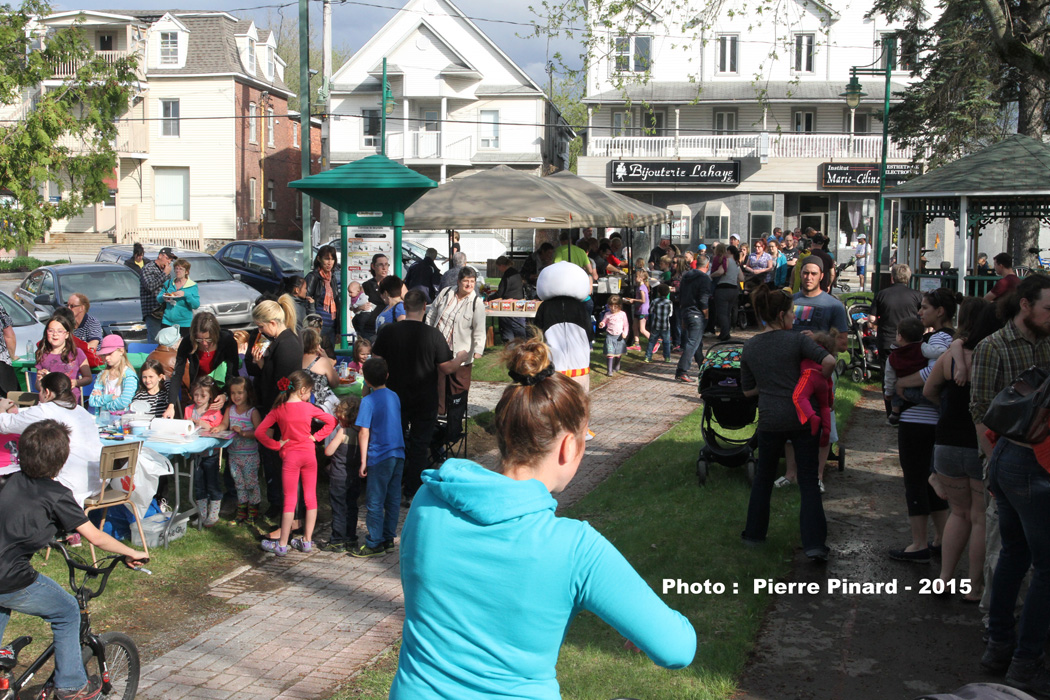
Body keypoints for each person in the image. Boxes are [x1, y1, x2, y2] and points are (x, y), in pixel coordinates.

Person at [389, 331, 696, 698]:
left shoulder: (429, 500)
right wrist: (644, 621)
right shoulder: (576, 549)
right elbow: (677, 648)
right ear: (568, 446)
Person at [0, 419, 148, 700]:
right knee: (67, 610)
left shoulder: (10, 481)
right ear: (61, 460)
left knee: (2, 604)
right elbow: (96, 537)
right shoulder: (57, 495)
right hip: (10, 577)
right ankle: (71, 685)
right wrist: (131, 552)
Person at [973, 275, 1050, 692]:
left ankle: (1000, 645)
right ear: (1025, 305)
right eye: (1048, 309)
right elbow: (981, 411)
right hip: (1017, 461)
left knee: (1016, 554)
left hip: (1025, 463)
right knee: (1041, 565)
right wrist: (991, 467)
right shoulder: (994, 347)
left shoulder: (1047, 343)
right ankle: (1022, 659)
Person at [742, 284, 836, 561]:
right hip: (802, 415)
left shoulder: (750, 346)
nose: (794, 318)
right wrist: (812, 383)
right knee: (808, 480)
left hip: (770, 418)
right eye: (792, 313)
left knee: (763, 478)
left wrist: (770, 385)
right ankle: (814, 544)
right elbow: (830, 361)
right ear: (781, 315)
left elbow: (748, 391)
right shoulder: (797, 341)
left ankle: (754, 535)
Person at [923, 297, 990, 603]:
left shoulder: (951, 356)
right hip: (980, 442)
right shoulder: (991, 355)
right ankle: (974, 587)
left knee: (958, 513)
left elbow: (929, 390)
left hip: (947, 440)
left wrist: (947, 408)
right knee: (980, 517)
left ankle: (944, 579)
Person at [372, 290, 467, 500]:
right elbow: (446, 368)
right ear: (425, 307)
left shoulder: (389, 331)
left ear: (405, 307)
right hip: (424, 397)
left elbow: (376, 358)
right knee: (419, 445)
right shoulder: (433, 334)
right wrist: (460, 357)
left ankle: (390, 489)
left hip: (394, 396)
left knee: (392, 443)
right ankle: (412, 491)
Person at [886, 288, 956, 562]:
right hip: (936, 421)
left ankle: (918, 544)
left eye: (925, 307)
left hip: (917, 420)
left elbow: (933, 373)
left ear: (940, 311)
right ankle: (940, 539)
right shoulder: (949, 337)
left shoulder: (938, 338)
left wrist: (902, 382)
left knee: (915, 481)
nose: (920, 312)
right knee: (933, 481)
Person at [256, 370, 336, 555]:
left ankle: (282, 544)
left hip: (290, 458)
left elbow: (260, 432)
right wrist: (316, 437)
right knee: (311, 498)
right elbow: (331, 421)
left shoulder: (279, 409)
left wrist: (276, 445)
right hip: (309, 456)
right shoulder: (309, 408)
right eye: (310, 392)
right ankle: (307, 541)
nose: (310, 395)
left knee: (289, 501)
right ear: (303, 390)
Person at [786, 257, 849, 490]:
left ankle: (818, 475)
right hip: (792, 369)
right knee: (791, 418)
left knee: (823, 419)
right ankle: (790, 473)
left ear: (822, 276)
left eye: (813, 273)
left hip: (821, 371)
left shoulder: (833, 305)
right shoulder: (790, 302)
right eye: (805, 273)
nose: (809, 277)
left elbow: (843, 344)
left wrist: (817, 340)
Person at [0, 372, 102, 507]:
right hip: (98, 482)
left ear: (47, 392)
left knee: (17, 479)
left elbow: (4, 424)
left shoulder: (44, 411)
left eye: (40, 391)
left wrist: (2, 408)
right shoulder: (80, 410)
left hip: (68, 484)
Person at [246, 296, 303, 519]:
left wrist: (271, 422)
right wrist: (260, 363)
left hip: (281, 414)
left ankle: (289, 512)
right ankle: (279, 505)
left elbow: (282, 386)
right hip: (274, 409)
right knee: (273, 462)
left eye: (261, 326)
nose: (260, 331)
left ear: (272, 323)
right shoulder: (278, 340)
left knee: (281, 463)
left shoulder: (287, 344)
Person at [350, 357, 405, 558]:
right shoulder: (394, 396)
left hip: (379, 454)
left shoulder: (368, 401)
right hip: (398, 452)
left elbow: (364, 431)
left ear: (366, 380)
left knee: (375, 500)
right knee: (393, 498)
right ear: (387, 375)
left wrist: (363, 461)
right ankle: (388, 538)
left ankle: (374, 542)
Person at [425, 266, 486, 412]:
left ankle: (455, 417)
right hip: (439, 348)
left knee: (458, 387)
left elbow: (479, 329)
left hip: (461, 351)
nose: (469, 284)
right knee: (438, 384)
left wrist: (478, 349)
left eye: (472, 281)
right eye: (466, 281)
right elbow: (432, 313)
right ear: (458, 281)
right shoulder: (446, 292)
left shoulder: (476, 302)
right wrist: (428, 334)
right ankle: (439, 413)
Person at [163, 313, 238, 419]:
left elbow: (232, 373)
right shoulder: (187, 342)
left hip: (222, 388)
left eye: (209, 339)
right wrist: (171, 405)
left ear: (215, 334)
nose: (204, 343)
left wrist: (226, 395)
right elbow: (177, 374)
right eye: (199, 340)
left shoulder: (227, 341)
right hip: (200, 392)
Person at [869, 264, 923, 411]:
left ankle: (890, 409)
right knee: (910, 372)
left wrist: (881, 322)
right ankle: (908, 407)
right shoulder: (917, 295)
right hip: (911, 342)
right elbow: (922, 316)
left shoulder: (882, 294)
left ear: (892, 278)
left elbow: (872, 318)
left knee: (887, 376)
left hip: (887, 340)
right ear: (908, 278)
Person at [320, 397, 362, 552]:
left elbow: (328, 451)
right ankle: (351, 538)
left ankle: (337, 540)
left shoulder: (343, 432)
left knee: (339, 507)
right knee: (352, 507)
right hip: (355, 476)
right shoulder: (362, 434)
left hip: (339, 476)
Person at [221, 376, 262, 525]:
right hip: (233, 455)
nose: (236, 396)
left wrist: (243, 433)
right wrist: (217, 429)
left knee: (251, 484)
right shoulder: (230, 410)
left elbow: (259, 433)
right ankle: (241, 512)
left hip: (249, 456)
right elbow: (224, 424)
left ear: (248, 393)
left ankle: (253, 511)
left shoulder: (252, 412)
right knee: (238, 484)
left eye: (240, 392)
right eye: (233, 393)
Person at [184, 375, 224, 526]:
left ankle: (214, 513)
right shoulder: (189, 409)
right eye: (196, 395)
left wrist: (198, 422)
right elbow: (185, 428)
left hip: (211, 453)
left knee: (212, 483)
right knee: (198, 484)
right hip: (195, 453)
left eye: (203, 395)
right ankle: (201, 513)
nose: (198, 399)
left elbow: (216, 428)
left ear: (210, 396)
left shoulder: (214, 412)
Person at [792, 329, 837, 449]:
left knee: (798, 397)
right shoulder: (826, 355)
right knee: (824, 406)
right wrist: (830, 402)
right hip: (822, 378)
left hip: (809, 375)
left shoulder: (811, 351)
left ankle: (812, 417)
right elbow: (829, 385)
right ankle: (826, 430)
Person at [36, 315, 91, 403]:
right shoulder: (42, 354)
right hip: (50, 402)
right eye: (51, 331)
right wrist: (40, 380)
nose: (55, 334)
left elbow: (88, 378)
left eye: (60, 331)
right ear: (46, 333)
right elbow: (38, 386)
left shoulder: (76, 353)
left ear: (67, 334)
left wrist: (76, 382)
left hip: (71, 400)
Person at [674, 260, 713, 383]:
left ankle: (703, 367)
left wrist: (683, 316)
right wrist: (706, 315)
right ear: (707, 265)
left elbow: (681, 296)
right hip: (697, 313)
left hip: (685, 311)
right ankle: (682, 370)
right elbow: (703, 299)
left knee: (697, 342)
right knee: (693, 342)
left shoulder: (686, 277)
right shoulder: (705, 279)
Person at [87, 335, 136, 414]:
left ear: (121, 351)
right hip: (102, 419)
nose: (106, 358)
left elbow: (124, 402)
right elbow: (92, 401)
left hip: (123, 419)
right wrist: (111, 397)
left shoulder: (129, 376)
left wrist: (103, 406)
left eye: (110, 354)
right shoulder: (102, 375)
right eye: (105, 354)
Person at [140, 247, 175, 343]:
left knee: (167, 340)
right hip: (153, 311)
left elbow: (168, 287)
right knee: (155, 340)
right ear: (160, 256)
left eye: (171, 260)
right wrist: (164, 274)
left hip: (165, 311)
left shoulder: (166, 270)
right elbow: (150, 286)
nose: (169, 262)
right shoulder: (148, 268)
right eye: (167, 258)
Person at [305, 245, 340, 343]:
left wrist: (338, 329)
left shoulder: (332, 278)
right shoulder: (313, 277)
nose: (330, 262)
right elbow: (306, 299)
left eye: (332, 259)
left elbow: (336, 303)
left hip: (331, 326)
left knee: (329, 352)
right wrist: (313, 322)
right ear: (319, 259)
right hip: (317, 325)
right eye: (327, 259)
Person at [300, 327, 338, 413]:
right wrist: (326, 358)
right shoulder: (322, 362)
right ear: (317, 344)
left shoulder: (294, 360)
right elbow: (335, 383)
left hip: (299, 404)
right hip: (320, 406)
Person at [710, 243, 742, 342]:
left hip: (723, 288)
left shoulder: (726, 260)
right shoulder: (737, 264)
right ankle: (726, 332)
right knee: (728, 313)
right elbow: (742, 278)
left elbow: (720, 271)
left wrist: (711, 275)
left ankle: (724, 334)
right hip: (734, 289)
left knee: (722, 313)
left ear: (728, 252)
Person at [490, 255, 526, 342]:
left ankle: (509, 343)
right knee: (518, 326)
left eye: (498, 267)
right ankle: (521, 342)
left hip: (509, 304)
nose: (499, 269)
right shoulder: (515, 273)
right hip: (519, 303)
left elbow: (500, 293)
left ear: (502, 265)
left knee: (508, 328)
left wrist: (489, 298)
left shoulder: (507, 275)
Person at [157, 259, 200, 330]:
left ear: (186, 272)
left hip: (184, 324)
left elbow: (196, 305)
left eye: (181, 269)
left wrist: (186, 294)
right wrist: (163, 297)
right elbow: (158, 298)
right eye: (176, 268)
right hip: (167, 322)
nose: (178, 271)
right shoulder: (169, 283)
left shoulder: (192, 285)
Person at [359, 253, 391, 341]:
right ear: (373, 266)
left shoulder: (394, 283)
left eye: (386, 264)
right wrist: (360, 307)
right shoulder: (366, 285)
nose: (384, 268)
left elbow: (406, 301)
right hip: (370, 329)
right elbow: (355, 307)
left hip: (390, 327)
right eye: (380, 265)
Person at [598, 295, 628, 376]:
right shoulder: (607, 314)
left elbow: (626, 325)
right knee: (610, 353)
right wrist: (602, 324)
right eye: (611, 306)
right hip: (610, 337)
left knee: (618, 352)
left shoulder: (622, 314)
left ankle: (617, 365)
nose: (613, 308)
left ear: (619, 306)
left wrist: (625, 333)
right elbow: (604, 322)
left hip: (619, 337)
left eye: (615, 306)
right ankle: (609, 371)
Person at [645, 284, 673, 362]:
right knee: (666, 342)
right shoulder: (669, 302)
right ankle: (667, 357)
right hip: (665, 325)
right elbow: (670, 314)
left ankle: (648, 356)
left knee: (652, 341)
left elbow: (650, 311)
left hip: (655, 324)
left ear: (658, 293)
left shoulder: (655, 301)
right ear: (668, 293)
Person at [624, 268, 650, 351]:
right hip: (638, 310)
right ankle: (637, 344)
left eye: (636, 276)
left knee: (642, 329)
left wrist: (633, 300)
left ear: (642, 278)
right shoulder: (639, 287)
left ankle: (654, 341)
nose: (635, 278)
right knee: (634, 326)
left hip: (643, 311)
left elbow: (643, 300)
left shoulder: (642, 288)